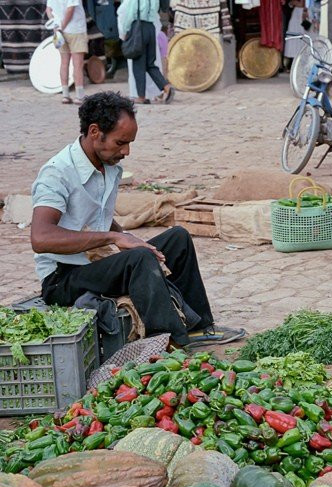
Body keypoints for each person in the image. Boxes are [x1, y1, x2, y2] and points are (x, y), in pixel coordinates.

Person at [30, 92, 244, 347]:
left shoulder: (107, 166)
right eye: (121, 142)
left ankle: (198, 328)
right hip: (63, 278)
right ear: (95, 131)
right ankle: (168, 344)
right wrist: (116, 237)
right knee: (139, 259)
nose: (126, 151)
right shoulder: (57, 173)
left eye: (129, 143)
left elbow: (97, 215)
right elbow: (41, 238)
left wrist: (127, 238)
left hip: (95, 263)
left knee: (177, 239)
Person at [117, 0, 173, 104]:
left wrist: (124, 31)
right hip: (151, 28)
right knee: (150, 64)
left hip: (139, 28)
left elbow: (129, 14)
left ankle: (141, 96)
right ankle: (166, 87)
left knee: (138, 64)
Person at [46, 0, 88, 104]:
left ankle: (65, 94)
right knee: (78, 64)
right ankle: (79, 96)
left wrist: (55, 24)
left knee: (64, 63)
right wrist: (62, 26)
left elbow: (48, 9)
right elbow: (71, 9)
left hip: (59, 32)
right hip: (75, 29)